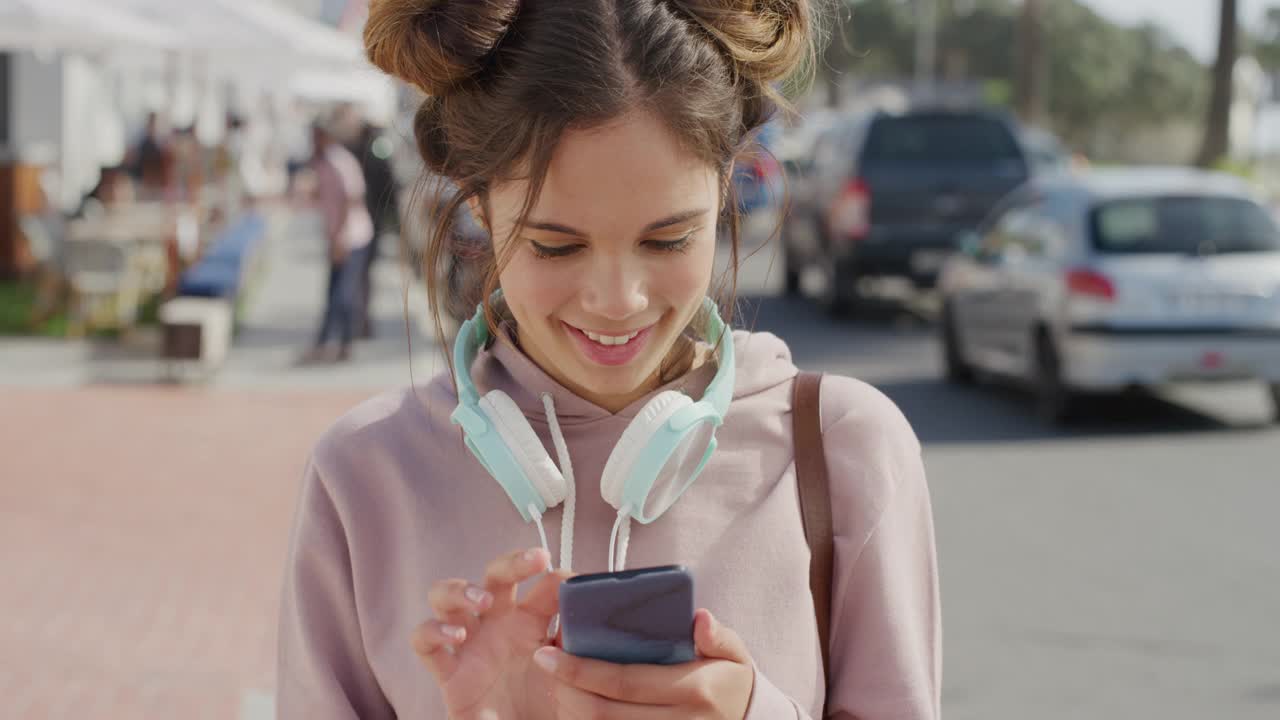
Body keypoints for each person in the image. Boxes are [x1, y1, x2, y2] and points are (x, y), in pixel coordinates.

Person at [277, 0, 940, 718]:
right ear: (478, 204)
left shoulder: (842, 449)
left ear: (726, 188)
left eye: (669, 240)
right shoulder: (365, 479)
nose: (617, 301)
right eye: (556, 246)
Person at [300, 121, 375, 364]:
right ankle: (330, 342)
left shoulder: (338, 161)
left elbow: (350, 199)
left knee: (343, 293)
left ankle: (340, 343)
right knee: (335, 291)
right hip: (340, 238)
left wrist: (340, 237)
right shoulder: (323, 162)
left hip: (351, 237)